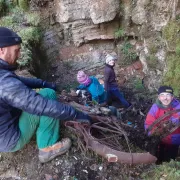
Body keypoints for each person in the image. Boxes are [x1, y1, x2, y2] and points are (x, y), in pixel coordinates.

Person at [0, 27, 91, 163]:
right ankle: (47, 148)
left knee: (45, 91)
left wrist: (42, 83)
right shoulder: (3, 82)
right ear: (2, 50)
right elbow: (40, 106)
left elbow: (17, 81)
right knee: (47, 96)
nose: (19, 55)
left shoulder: (3, 74)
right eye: (16, 51)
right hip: (9, 139)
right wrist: (77, 114)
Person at [145, 85, 180, 163]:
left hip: (174, 142)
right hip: (159, 142)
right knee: (158, 159)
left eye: (168, 95)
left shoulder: (178, 108)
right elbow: (148, 124)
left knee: (170, 160)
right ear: (159, 97)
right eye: (162, 95)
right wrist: (153, 136)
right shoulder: (155, 108)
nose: (165, 98)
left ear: (172, 97)